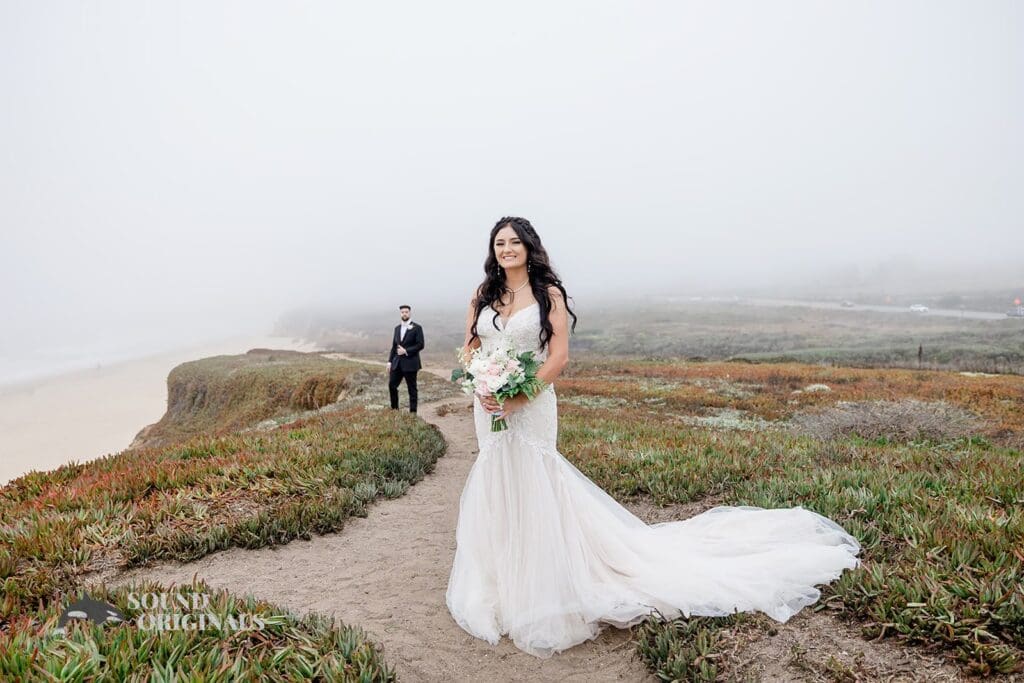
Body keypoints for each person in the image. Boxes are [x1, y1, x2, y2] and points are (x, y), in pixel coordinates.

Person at [444, 217, 861, 659]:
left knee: (536, 480)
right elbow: (471, 347)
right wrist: (482, 384)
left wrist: (520, 396)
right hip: (489, 406)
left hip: (532, 403)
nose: (507, 248)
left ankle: (548, 582)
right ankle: (502, 580)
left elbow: (559, 356)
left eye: (514, 242)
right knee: (498, 478)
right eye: (500, 242)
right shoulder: (482, 294)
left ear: (529, 247)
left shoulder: (548, 294)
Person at [387, 305, 424, 413]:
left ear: (410, 313)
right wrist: (389, 361)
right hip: (397, 363)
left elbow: (420, 345)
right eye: (402, 312)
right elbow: (394, 346)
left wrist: (406, 351)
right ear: (400, 313)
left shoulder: (417, 328)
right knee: (392, 385)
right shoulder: (397, 328)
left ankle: (413, 414)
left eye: (406, 312)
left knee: (412, 389)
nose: (404, 314)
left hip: (411, 363)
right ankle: (395, 411)